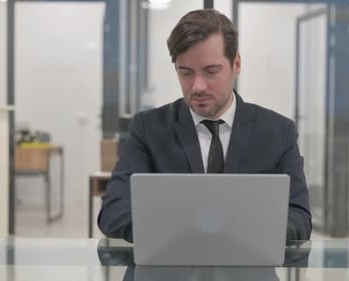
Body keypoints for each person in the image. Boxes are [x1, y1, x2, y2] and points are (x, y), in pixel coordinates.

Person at [98, 8, 311, 243]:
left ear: (236, 64)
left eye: (210, 71)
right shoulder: (148, 129)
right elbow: (113, 212)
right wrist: (179, 235)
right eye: (186, 73)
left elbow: (299, 217)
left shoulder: (277, 132)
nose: (197, 86)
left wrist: (242, 235)